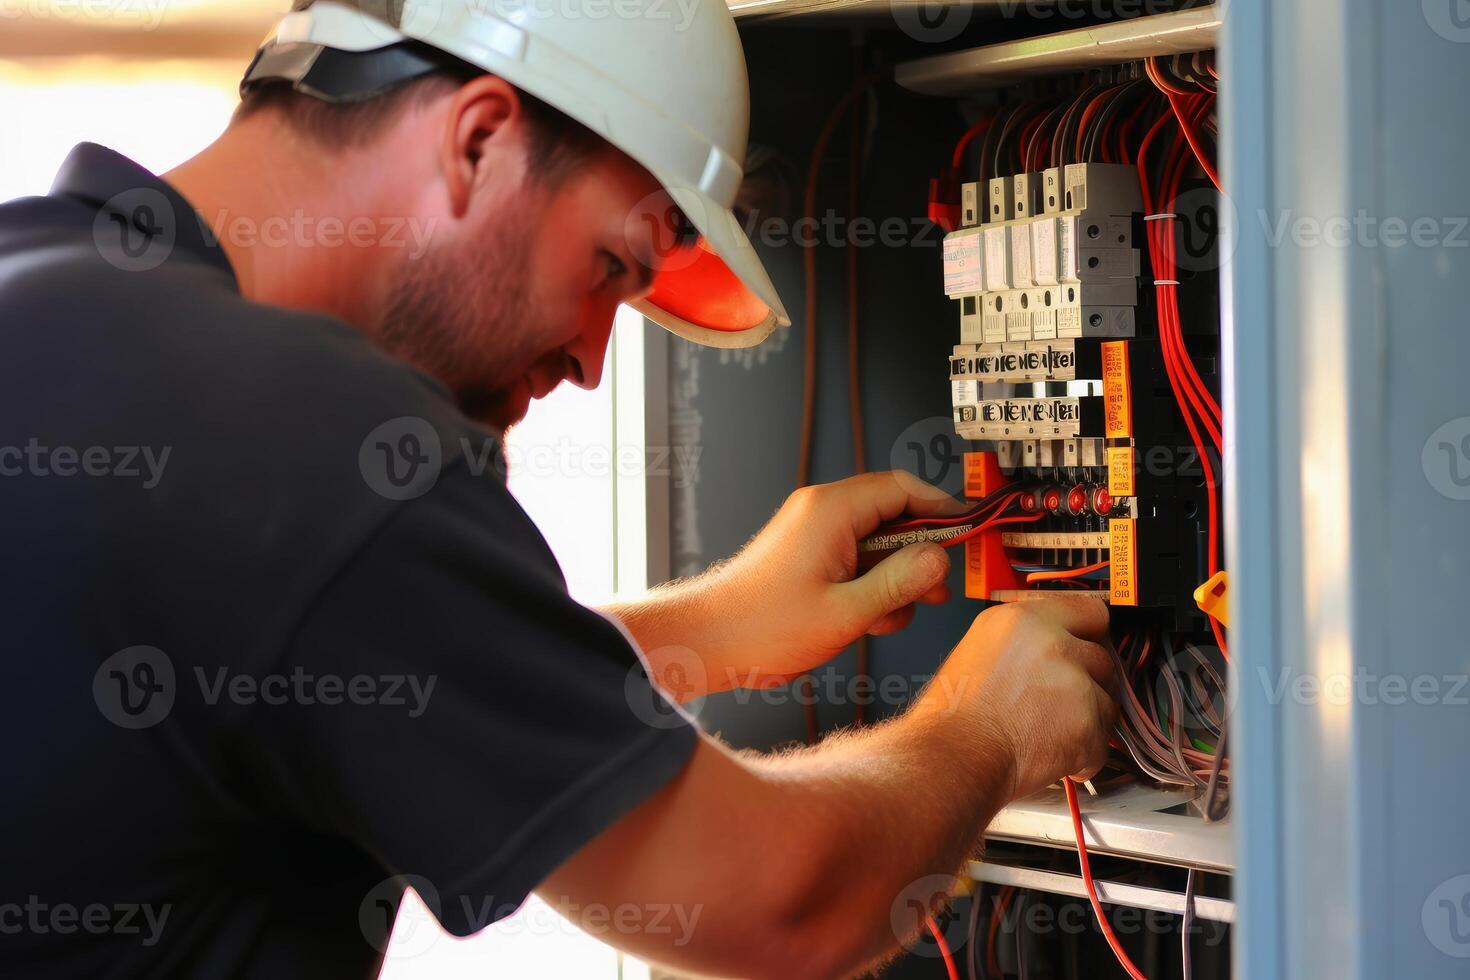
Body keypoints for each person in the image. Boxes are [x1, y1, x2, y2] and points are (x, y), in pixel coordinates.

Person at [0, 1, 1119, 976]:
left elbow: (300, 663)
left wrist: (707, 629)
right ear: (479, 139)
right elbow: (785, 903)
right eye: (610, 269)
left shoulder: (50, 290)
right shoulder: (317, 436)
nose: (590, 358)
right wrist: (987, 725)